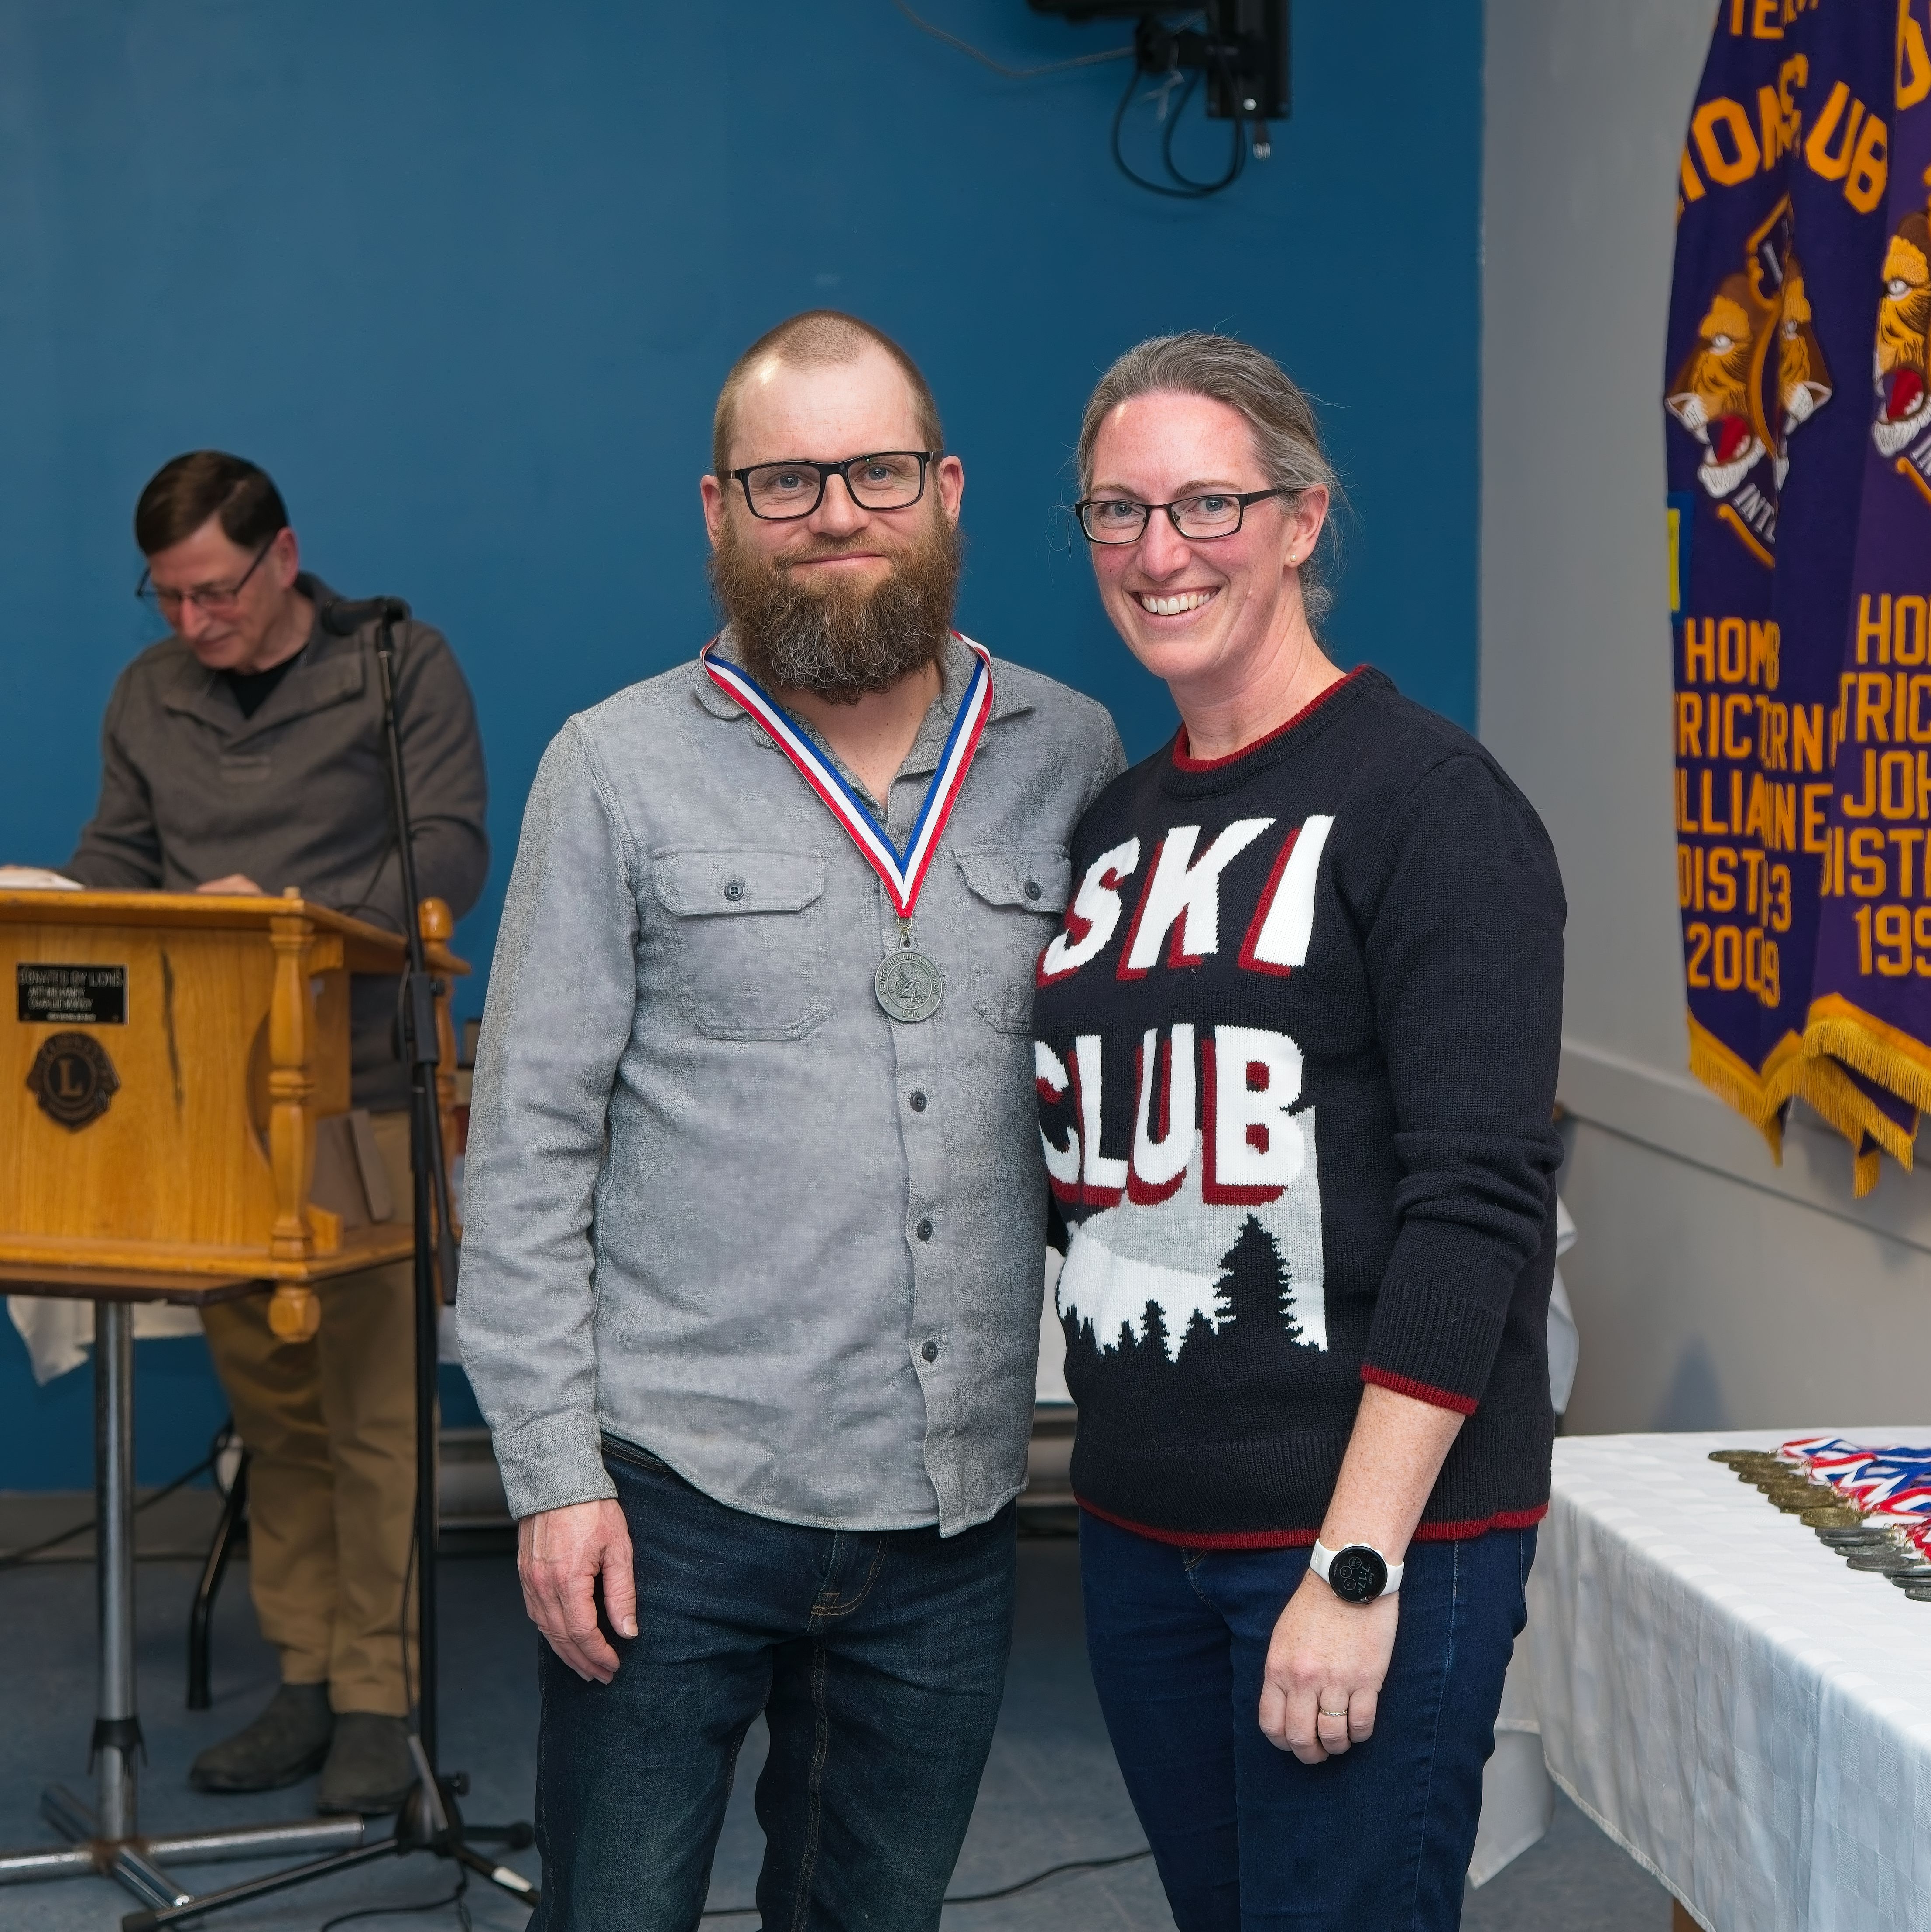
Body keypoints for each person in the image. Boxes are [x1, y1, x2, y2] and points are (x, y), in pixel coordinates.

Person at [454, 311, 1125, 1932]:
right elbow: (527, 1151)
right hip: (672, 1500)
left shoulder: (1073, 754)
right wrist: (549, 1478)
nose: (836, 512)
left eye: (877, 471)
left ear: (946, 490)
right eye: (786, 481)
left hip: (950, 1509)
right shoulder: (611, 770)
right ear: (719, 510)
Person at [1029, 334, 1566, 1932]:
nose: (1161, 552)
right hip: (1142, 1532)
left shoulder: (1431, 803)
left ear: (1301, 519)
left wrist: (1355, 1563)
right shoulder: (1112, 827)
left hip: (1354, 1535)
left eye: (1209, 504)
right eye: (1119, 512)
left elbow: (1479, 1205)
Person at [61, 450, 490, 1814]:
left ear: (284, 557)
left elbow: (450, 848)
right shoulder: (148, 696)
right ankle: (305, 1673)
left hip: (360, 1084)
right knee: (276, 1415)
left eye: (216, 592)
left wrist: (289, 919)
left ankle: (379, 1695)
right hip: (214, 1106)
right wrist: (65, 907)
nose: (194, 621)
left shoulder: (397, 665)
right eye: (168, 597)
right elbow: (123, 854)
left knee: (372, 1416)